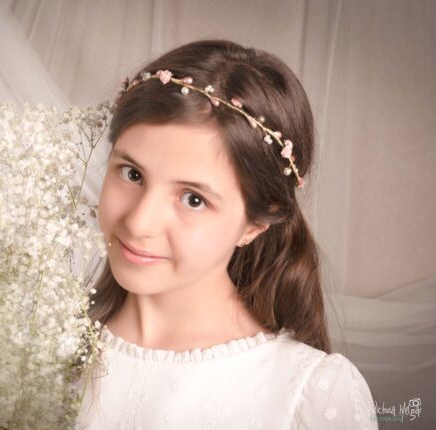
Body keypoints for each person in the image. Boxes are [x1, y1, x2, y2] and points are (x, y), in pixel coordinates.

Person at [75, 39, 378, 429]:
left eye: (193, 199)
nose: (139, 222)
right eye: (132, 174)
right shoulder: (39, 346)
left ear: (255, 224)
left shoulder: (307, 395)